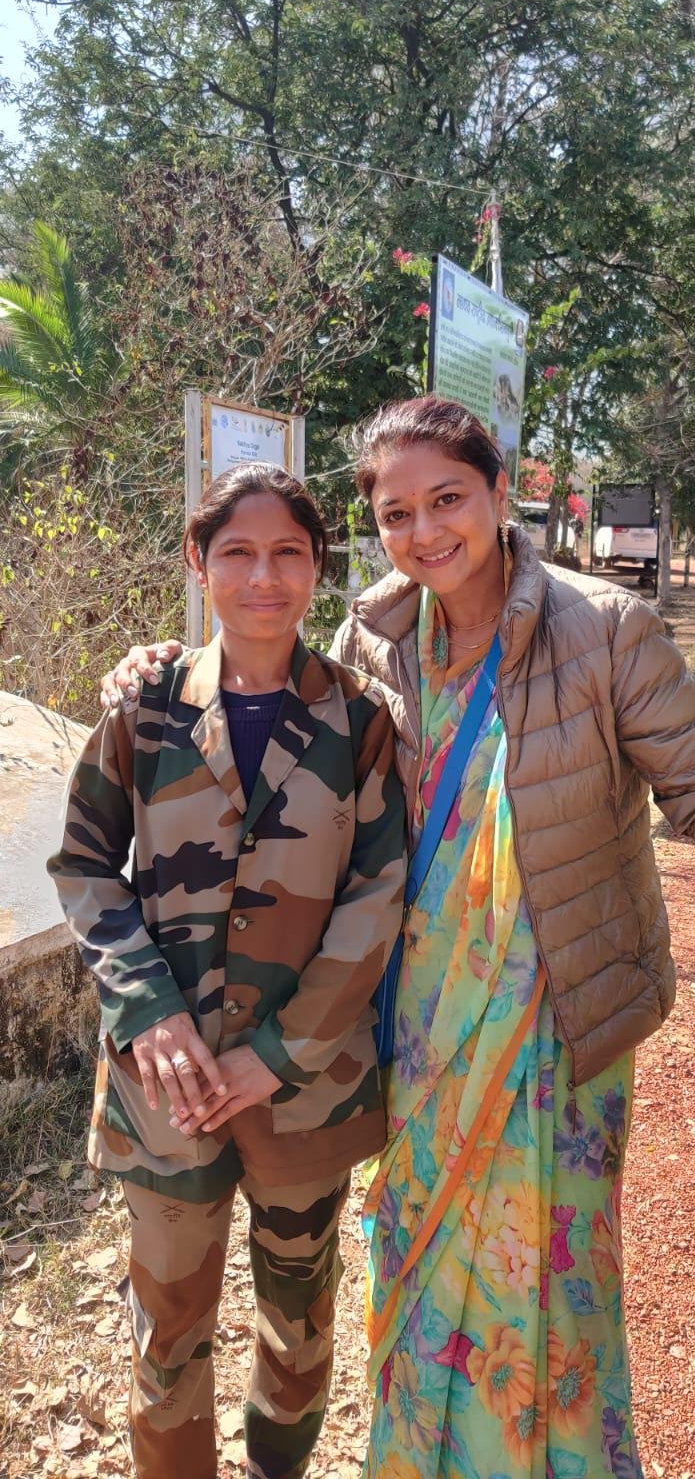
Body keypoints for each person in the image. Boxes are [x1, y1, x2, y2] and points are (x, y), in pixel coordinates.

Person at [102, 395, 695, 1479]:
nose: (425, 531)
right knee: (422, 1271)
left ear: (498, 490)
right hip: (413, 1029)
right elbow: (269, 713)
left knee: (551, 1281)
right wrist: (156, 668)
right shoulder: (375, 640)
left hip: (552, 1030)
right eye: (396, 514)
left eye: (447, 499)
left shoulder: (603, 629)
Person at [52, 462, 406, 1479]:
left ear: (318, 567)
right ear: (196, 562)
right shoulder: (146, 707)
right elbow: (85, 864)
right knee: (167, 1334)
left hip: (306, 1090)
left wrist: (281, 1053)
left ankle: (275, 1466)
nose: (264, 577)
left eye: (289, 552)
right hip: (168, 1088)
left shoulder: (359, 720)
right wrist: (148, 1011)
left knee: (299, 1324)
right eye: (238, 553)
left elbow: (377, 894)